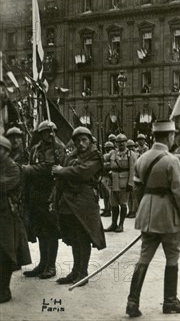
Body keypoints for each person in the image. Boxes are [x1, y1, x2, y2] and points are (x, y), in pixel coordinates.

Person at [126, 120, 180, 317]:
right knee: (172, 256)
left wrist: (144, 208)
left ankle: (132, 302)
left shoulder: (141, 158)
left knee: (144, 257)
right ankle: (170, 301)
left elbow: (137, 189)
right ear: (170, 136)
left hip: (147, 212)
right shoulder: (172, 160)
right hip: (168, 215)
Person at [52, 127, 106, 286]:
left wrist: (62, 171)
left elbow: (83, 172)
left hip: (85, 201)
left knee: (83, 236)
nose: (81, 143)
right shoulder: (71, 156)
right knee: (74, 238)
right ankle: (75, 271)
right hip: (68, 201)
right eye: (77, 141)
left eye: (84, 140)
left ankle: (83, 272)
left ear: (90, 140)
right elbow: (61, 175)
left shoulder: (95, 156)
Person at [22, 120, 66, 280]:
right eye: (47, 131)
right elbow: (31, 165)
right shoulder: (35, 149)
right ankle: (42, 263)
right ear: (40, 133)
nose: (51, 134)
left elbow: (49, 168)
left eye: (52, 130)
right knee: (40, 230)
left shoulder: (58, 148)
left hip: (50, 193)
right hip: (36, 194)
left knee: (51, 230)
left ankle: (51, 265)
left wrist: (29, 169)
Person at [0, 135, 31, 303]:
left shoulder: (12, 168)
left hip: (6, 216)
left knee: (6, 252)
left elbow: (5, 185)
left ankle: (4, 289)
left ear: (5, 151)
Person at [106, 134, 136, 233]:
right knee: (113, 204)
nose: (121, 144)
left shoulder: (130, 154)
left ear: (126, 142)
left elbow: (132, 169)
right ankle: (113, 224)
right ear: (116, 143)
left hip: (124, 181)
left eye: (123, 141)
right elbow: (106, 161)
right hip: (113, 181)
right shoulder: (113, 153)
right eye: (119, 142)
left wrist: (130, 183)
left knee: (123, 204)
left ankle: (121, 224)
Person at [100, 141, 115, 217]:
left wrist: (105, 164)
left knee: (108, 194)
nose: (108, 150)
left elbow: (110, 164)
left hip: (109, 176)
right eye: (107, 148)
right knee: (105, 194)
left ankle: (108, 209)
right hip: (104, 176)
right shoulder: (106, 155)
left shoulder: (113, 154)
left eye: (109, 148)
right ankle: (106, 209)